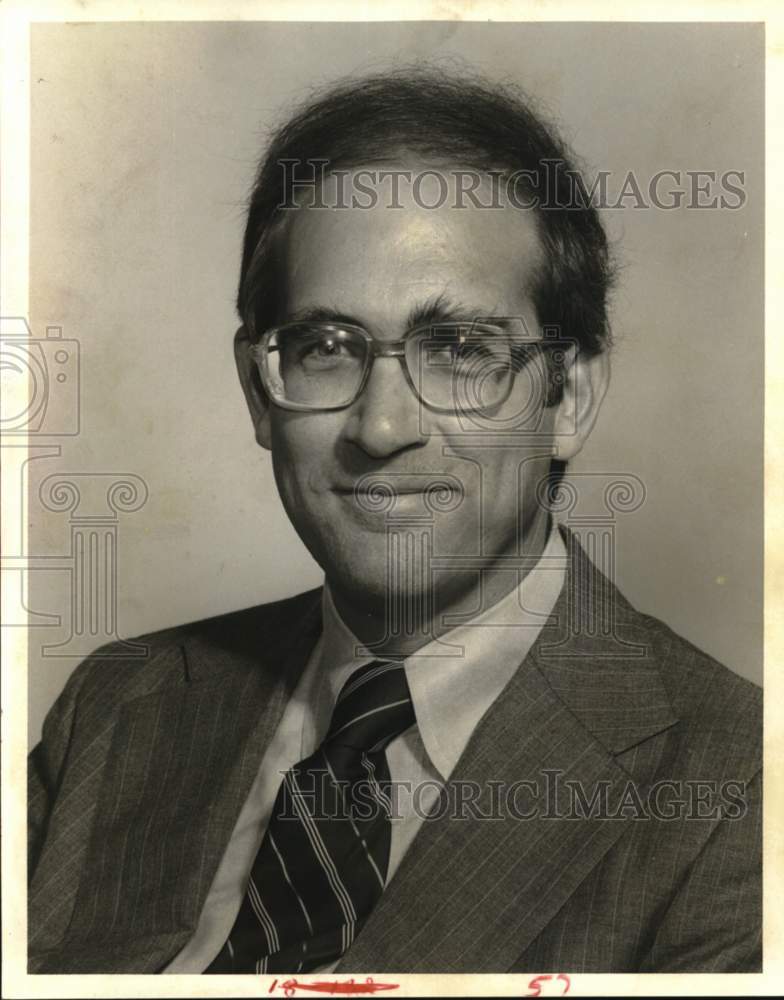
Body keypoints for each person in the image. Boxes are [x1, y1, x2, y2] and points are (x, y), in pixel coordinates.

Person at [28, 68, 761, 975]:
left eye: (458, 351)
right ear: (259, 391)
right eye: (326, 348)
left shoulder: (736, 793)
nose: (382, 428)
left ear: (568, 395)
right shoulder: (118, 710)